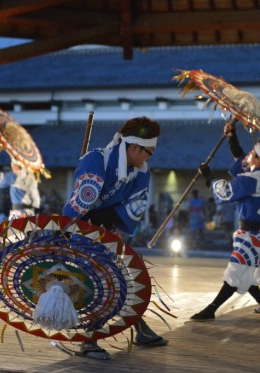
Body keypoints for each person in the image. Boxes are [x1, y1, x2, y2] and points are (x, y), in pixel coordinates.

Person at [62, 116, 167, 360]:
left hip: (108, 230)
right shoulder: (96, 159)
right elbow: (82, 200)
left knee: (125, 280)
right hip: (81, 230)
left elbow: (137, 202)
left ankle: (139, 328)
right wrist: (79, 224)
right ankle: (88, 340)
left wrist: (109, 217)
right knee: (93, 284)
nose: (149, 157)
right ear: (133, 146)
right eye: (148, 151)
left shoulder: (141, 171)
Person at [190, 122, 260, 321]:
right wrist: (232, 136)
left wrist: (208, 178)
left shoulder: (251, 179)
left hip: (250, 236)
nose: (248, 155)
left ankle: (211, 309)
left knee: (237, 270)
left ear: (258, 159)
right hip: (259, 234)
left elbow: (227, 192)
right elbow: (241, 159)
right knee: (247, 273)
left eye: (252, 153)